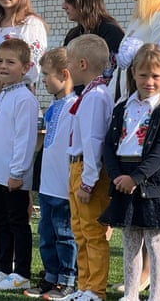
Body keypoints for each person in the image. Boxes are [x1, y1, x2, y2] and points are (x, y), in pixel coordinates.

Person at [100, 42, 160, 301]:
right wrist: (116, 175)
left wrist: (137, 177)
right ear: (133, 74)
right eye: (143, 75)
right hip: (123, 176)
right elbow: (109, 144)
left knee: (154, 241)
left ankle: (156, 295)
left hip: (150, 181)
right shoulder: (122, 107)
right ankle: (131, 293)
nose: (149, 81)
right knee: (129, 239)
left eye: (156, 76)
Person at [0, 38, 39, 291]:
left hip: (13, 177)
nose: (3, 66)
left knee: (17, 223)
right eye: (0, 61)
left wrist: (17, 172)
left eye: (10, 62)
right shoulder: (3, 95)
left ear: (25, 67)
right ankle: (3, 268)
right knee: (0, 221)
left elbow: (24, 140)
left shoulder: (25, 98)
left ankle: (21, 271)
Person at [23, 47, 78, 299]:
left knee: (65, 235)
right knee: (46, 233)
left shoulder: (77, 105)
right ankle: (50, 276)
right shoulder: (54, 106)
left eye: (46, 74)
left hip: (65, 185)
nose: (43, 78)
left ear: (64, 74)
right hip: (47, 184)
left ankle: (67, 280)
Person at [65, 34, 113, 301]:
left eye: (70, 61)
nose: (68, 67)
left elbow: (94, 141)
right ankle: (84, 286)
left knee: (93, 232)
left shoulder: (96, 96)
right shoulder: (88, 94)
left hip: (88, 170)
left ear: (82, 64)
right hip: (77, 167)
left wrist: (88, 181)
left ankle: (96, 289)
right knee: (80, 230)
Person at [62, 0, 125, 87]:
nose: (64, 6)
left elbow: (110, 78)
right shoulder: (73, 35)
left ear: (84, 1)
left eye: (69, 1)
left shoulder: (111, 33)